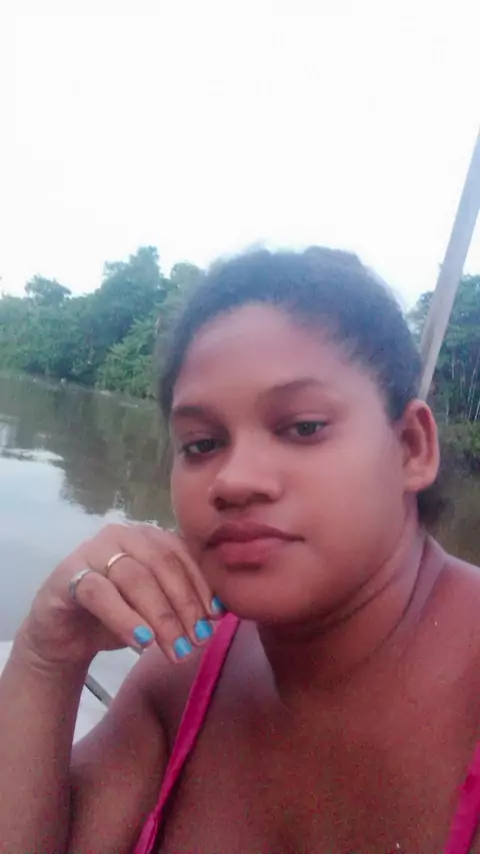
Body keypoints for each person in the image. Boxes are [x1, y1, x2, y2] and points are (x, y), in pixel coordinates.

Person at [1, 247, 480, 854]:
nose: (233, 480)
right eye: (202, 444)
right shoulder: (187, 669)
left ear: (411, 447)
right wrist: (46, 657)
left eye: (303, 427)